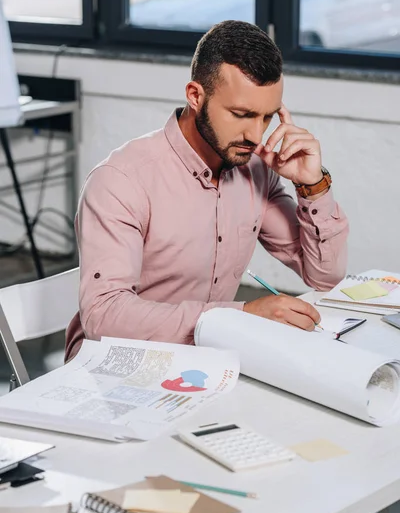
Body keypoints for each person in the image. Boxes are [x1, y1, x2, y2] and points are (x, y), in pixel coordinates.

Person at [65, 20, 349, 361]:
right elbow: (103, 317)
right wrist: (237, 317)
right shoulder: (121, 180)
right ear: (195, 96)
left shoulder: (255, 170)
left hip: (206, 359)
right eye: (242, 115)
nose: (256, 136)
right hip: (114, 365)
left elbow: (324, 276)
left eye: (267, 117)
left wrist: (312, 185)